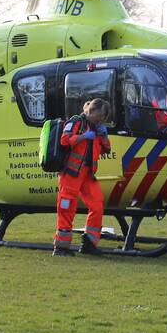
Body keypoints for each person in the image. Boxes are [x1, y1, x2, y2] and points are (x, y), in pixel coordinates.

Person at [52, 98, 112, 257]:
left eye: (103, 118)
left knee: (97, 204)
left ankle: (89, 243)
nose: (101, 120)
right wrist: (84, 137)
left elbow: (106, 148)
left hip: (88, 174)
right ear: (92, 111)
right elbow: (65, 140)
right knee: (66, 207)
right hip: (71, 173)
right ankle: (61, 247)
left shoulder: (97, 128)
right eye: (100, 116)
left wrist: (104, 136)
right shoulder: (76, 122)